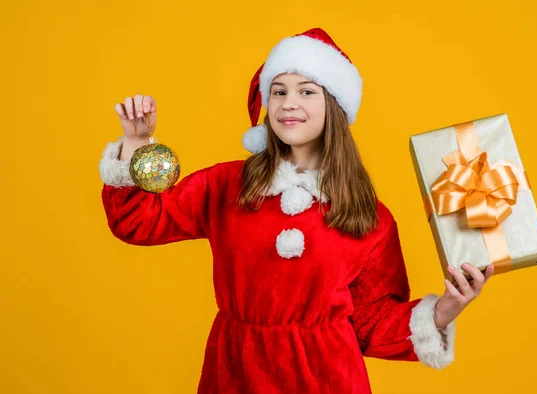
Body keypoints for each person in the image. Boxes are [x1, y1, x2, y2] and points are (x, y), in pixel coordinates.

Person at [99, 28, 494, 394]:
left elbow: (372, 323)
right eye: (278, 91)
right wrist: (136, 144)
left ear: (334, 105)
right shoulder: (227, 186)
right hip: (236, 373)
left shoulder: (369, 216)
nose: (289, 103)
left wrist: (445, 309)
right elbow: (139, 223)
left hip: (328, 378)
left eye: (307, 91)